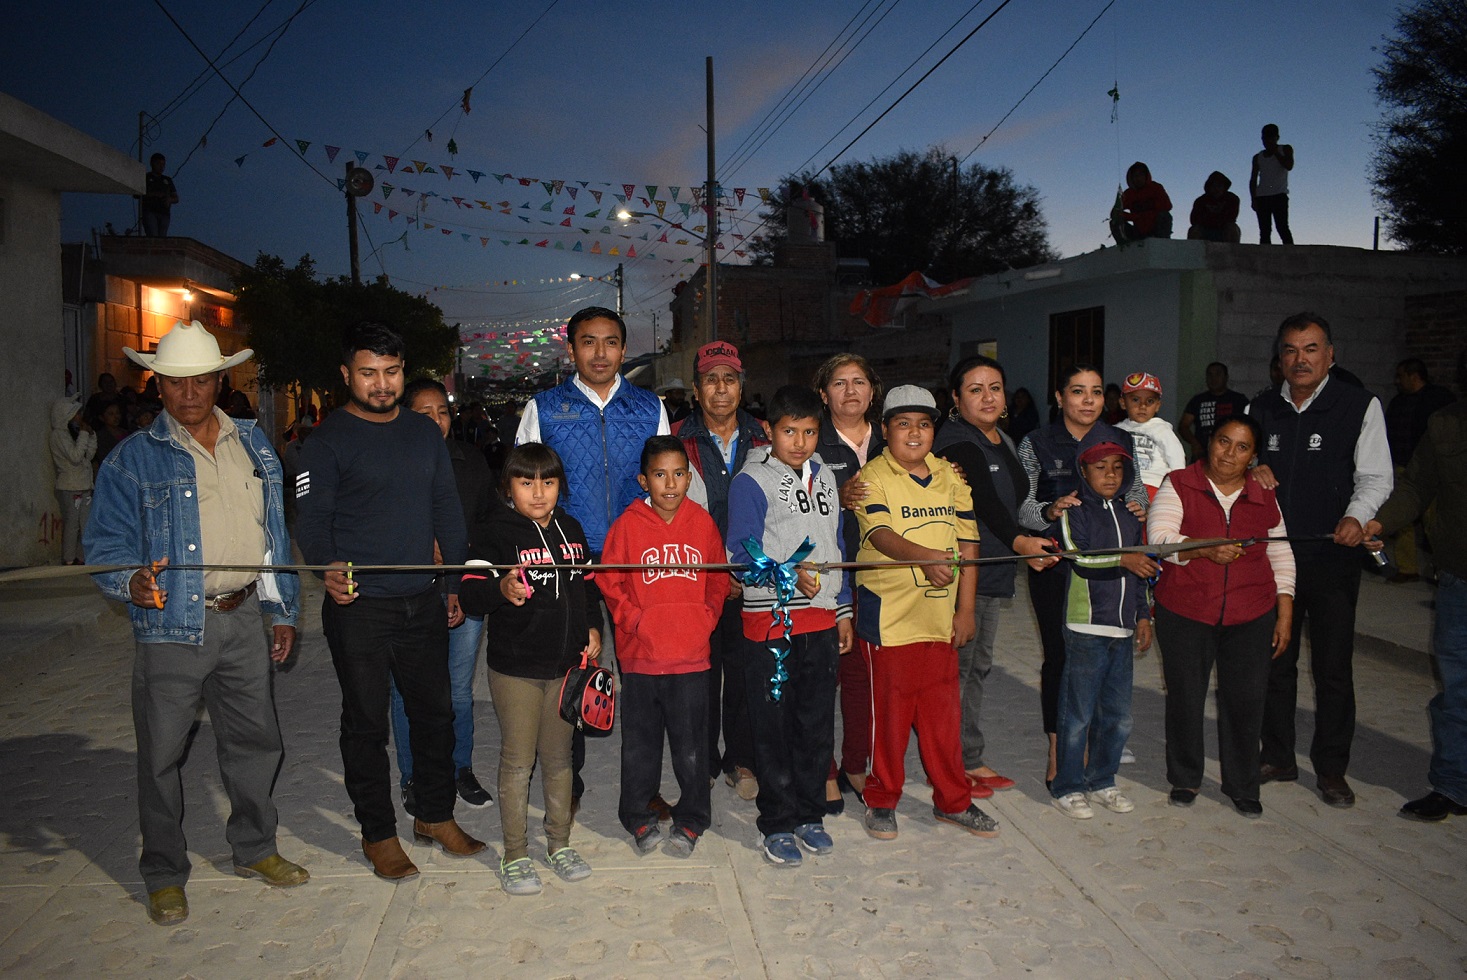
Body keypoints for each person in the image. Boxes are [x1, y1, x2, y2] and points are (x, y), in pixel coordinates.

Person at [83, 319, 305, 926]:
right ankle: (162, 872)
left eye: (200, 380)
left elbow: (271, 536)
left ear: (218, 379)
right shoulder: (132, 459)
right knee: (160, 755)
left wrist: (279, 606)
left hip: (240, 620)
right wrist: (131, 581)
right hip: (170, 629)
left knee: (257, 742)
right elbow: (104, 545)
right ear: (159, 385)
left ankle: (255, 849)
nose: (189, 393)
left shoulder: (256, 444)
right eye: (176, 382)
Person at [295, 321, 483, 882]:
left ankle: (433, 815)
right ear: (346, 374)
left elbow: (446, 512)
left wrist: (451, 584)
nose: (381, 384)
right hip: (360, 610)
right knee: (366, 724)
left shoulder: (424, 435)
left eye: (392, 373)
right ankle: (378, 832)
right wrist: (326, 567)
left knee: (435, 714)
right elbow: (312, 520)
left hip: (423, 601)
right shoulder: (326, 441)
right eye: (369, 373)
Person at [517, 305, 668, 806]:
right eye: (588, 342)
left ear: (624, 349)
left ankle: (643, 789)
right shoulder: (544, 407)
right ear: (571, 348)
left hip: (633, 557)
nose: (599, 353)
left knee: (642, 670)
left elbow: (667, 485)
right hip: (568, 558)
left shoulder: (650, 408)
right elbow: (523, 486)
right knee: (573, 667)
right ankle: (569, 782)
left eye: (609, 343)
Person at [1249, 312, 1393, 808]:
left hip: (1332, 559)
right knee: (1274, 661)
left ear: (1330, 355)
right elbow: (1232, 461)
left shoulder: (1358, 405)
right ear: (1280, 358)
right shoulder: (1261, 407)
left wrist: (1357, 517)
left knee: (1333, 669)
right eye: (1290, 350)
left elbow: (1376, 477)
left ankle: (1332, 769)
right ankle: (1278, 756)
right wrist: (1252, 466)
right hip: (1272, 560)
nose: (1300, 359)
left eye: (1311, 349)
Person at [853, 385, 1001, 841]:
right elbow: (880, 535)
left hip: (939, 621)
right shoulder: (871, 478)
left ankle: (953, 801)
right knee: (890, 720)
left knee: (942, 720)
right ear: (885, 430)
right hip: (890, 621)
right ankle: (881, 800)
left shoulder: (950, 475)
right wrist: (925, 557)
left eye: (924, 424)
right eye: (903, 424)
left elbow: (970, 544)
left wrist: (966, 607)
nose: (914, 433)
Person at [459, 443, 601, 896]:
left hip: (565, 668)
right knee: (518, 762)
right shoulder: (493, 533)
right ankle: (515, 853)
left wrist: (594, 627)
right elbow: (470, 596)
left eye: (548, 482)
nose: (538, 493)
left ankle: (558, 844)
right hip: (516, 669)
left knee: (559, 761)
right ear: (508, 486)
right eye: (526, 482)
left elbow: (587, 589)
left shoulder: (572, 529)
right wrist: (500, 587)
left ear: (560, 485)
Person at [726, 385, 852, 867]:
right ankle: (776, 822)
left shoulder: (822, 476)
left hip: (820, 619)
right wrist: (785, 570)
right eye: (789, 431)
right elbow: (740, 552)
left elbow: (836, 542)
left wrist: (840, 607)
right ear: (769, 430)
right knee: (773, 727)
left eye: (809, 431)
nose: (799, 441)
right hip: (771, 624)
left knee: (815, 722)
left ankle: (808, 814)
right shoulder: (750, 481)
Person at [1148, 415, 1296, 817]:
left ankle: (1242, 784)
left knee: (1246, 702)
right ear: (1209, 442)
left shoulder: (1264, 494)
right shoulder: (1179, 483)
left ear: (1253, 456)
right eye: (1223, 442)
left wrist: (1284, 614)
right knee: (1185, 697)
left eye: (1242, 447)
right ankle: (1185, 777)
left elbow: (1280, 552)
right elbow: (1159, 541)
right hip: (1186, 611)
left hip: (1253, 613)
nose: (1230, 454)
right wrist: (1204, 548)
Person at [1018, 365, 1152, 784]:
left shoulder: (1121, 439)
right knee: (1061, 655)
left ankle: (1095, 740)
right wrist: (1048, 512)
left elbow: (1137, 492)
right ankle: (1060, 746)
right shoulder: (1036, 442)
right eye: (1077, 391)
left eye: (1095, 391)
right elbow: (1021, 506)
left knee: (1106, 656)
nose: (1088, 400)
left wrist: (1139, 509)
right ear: (1060, 397)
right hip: (1057, 564)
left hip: (1114, 570)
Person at [933, 357, 1058, 794]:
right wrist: (1022, 544)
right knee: (959, 669)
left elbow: (1014, 504)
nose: (988, 397)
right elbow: (983, 501)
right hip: (966, 571)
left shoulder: (1002, 438)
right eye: (975, 389)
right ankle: (955, 762)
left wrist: (1042, 521)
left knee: (975, 668)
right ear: (955, 398)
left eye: (995, 388)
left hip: (994, 570)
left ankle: (965, 755)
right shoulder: (955, 442)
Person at [600, 436, 730, 857]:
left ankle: (693, 819)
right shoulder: (627, 525)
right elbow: (610, 580)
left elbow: (718, 579)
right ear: (644, 480)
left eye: (678, 474)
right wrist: (636, 621)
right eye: (659, 475)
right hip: (641, 659)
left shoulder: (702, 523)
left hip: (692, 657)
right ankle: (637, 816)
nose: (670, 484)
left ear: (690, 479)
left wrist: (705, 619)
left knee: (692, 747)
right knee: (640, 746)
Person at [388, 379, 499, 814]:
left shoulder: (470, 462)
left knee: (456, 690)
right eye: (424, 413)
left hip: (463, 590)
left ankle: (459, 769)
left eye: (443, 412)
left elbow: (488, 524)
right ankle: (413, 775)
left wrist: (463, 552)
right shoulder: (389, 461)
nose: (436, 422)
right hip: (406, 594)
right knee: (406, 692)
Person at [1365, 387, 1467, 821]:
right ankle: (1453, 785)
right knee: (1457, 690)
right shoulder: (1446, 424)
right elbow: (1416, 485)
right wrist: (1380, 521)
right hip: (1459, 580)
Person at [677, 340, 767, 801]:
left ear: (741, 385)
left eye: (729, 379)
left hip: (753, 576)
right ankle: (703, 761)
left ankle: (741, 759)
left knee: (746, 668)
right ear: (696, 389)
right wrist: (714, 573)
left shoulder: (767, 437)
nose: (720, 389)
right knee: (700, 671)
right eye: (710, 380)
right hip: (697, 579)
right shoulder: (676, 439)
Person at [1049, 436, 1154, 819]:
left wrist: (1143, 614)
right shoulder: (1074, 510)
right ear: (1083, 471)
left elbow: (1141, 567)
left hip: (1123, 629)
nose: (1110, 474)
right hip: (1087, 625)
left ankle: (1103, 781)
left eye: (1117, 467)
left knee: (1118, 714)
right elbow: (1080, 559)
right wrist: (1123, 561)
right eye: (1100, 467)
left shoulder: (1131, 512)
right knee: (1077, 714)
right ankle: (1068, 786)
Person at [812, 353, 885, 812]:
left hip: (881, 578)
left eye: (860, 382)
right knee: (822, 677)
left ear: (872, 392)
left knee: (863, 678)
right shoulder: (811, 441)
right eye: (840, 383)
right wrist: (834, 499)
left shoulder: (892, 439)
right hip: (828, 578)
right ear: (824, 395)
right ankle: (824, 768)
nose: (851, 391)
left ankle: (856, 762)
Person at [1383, 359, 1456, 581]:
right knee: (1402, 521)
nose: (1397, 381)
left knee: (1434, 523)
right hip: (1402, 466)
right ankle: (1407, 568)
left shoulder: (1438, 399)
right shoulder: (1399, 402)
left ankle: (1443, 569)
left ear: (1414, 376)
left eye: (1401, 375)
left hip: (1432, 471)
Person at [1114, 372, 1187, 499]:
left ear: (1157, 406)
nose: (1142, 406)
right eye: (1135, 399)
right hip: (1123, 486)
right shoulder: (1117, 430)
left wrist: (1179, 488)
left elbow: (1176, 458)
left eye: (1150, 401)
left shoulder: (1162, 429)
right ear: (1123, 403)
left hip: (1154, 485)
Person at [50, 394, 96, 564]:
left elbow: (87, 456)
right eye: (76, 414)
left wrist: (90, 436)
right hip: (70, 486)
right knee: (72, 524)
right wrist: (84, 434)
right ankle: (69, 559)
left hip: (83, 485)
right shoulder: (59, 435)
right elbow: (75, 457)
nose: (79, 418)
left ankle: (82, 557)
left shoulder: (72, 433)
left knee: (85, 524)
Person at [1179, 362, 1250, 460]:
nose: (1213, 378)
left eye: (1218, 374)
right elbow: (1183, 425)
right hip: (1203, 455)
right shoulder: (1198, 400)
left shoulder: (1239, 400)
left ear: (1226, 377)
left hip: (1230, 454)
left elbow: (1250, 427)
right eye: (1210, 375)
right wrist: (1194, 443)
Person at [1249, 124, 1295, 244]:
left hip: (1279, 195)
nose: (1267, 141)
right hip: (1262, 197)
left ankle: (1291, 256)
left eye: (1270, 138)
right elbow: (1253, 179)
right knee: (1264, 231)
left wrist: (1276, 152)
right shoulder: (1257, 157)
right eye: (1265, 138)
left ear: (1277, 138)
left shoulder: (1285, 149)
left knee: (1282, 228)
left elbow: (1289, 166)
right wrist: (1253, 199)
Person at [1110, 161, 1173, 243]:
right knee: (1115, 222)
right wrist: (1127, 216)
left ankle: (1162, 242)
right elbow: (1114, 213)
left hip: (1155, 229)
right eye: (1135, 176)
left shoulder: (1156, 187)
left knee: (1164, 216)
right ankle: (1125, 247)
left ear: (1146, 176)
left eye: (1140, 175)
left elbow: (1168, 206)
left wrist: (1149, 206)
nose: (1138, 178)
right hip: (1138, 232)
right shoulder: (1128, 194)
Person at [1187, 171, 1242, 242]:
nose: (1216, 189)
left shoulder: (1232, 198)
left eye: (1219, 186)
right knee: (1194, 230)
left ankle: (1232, 252)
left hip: (1224, 230)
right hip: (1205, 231)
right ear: (1209, 187)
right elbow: (1194, 219)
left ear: (1224, 187)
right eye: (1213, 186)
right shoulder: (1200, 201)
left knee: (1233, 228)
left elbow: (1231, 217)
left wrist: (1210, 219)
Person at [139, 153, 179, 237]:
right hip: (150, 212)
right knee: (153, 236)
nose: (161, 167)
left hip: (164, 213)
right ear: (152, 163)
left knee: (162, 238)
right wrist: (154, 194)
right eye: (158, 164)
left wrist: (169, 199)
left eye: (163, 164)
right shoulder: (145, 177)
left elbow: (176, 198)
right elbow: (137, 194)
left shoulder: (167, 180)